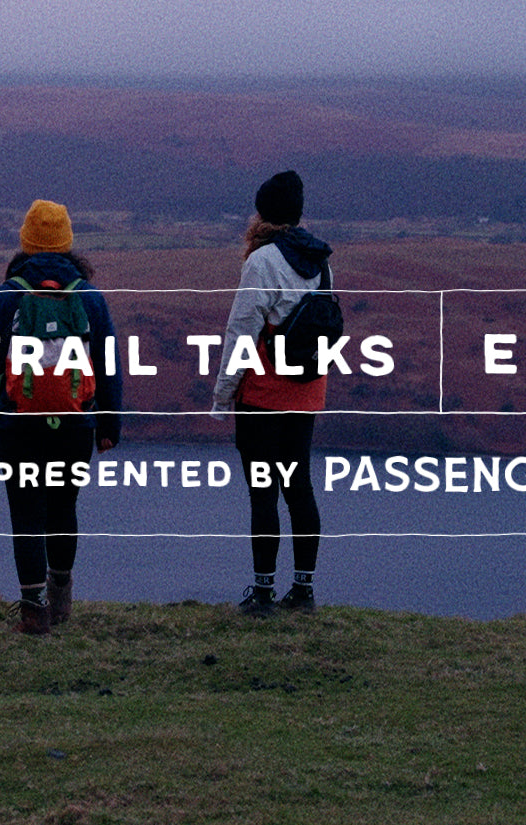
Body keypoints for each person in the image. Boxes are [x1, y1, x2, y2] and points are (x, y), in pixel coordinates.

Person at [0, 199, 122, 635]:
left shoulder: (6, 296)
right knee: (63, 507)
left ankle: (33, 611)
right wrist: (108, 425)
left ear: (26, 242)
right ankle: (61, 601)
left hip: (18, 426)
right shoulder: (89, 298)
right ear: (68, 243)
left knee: (26, 514)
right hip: (74, 425)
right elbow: (109, 365)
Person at [211, 170, 331, 616]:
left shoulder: (262, 261)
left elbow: (241, 332)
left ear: (263, 214)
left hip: (263, 395)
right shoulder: (321, 261)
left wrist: (223, 396)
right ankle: (303, 591)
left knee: (263, 492)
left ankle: (262, 594)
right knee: (299, 488)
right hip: (307, 393)